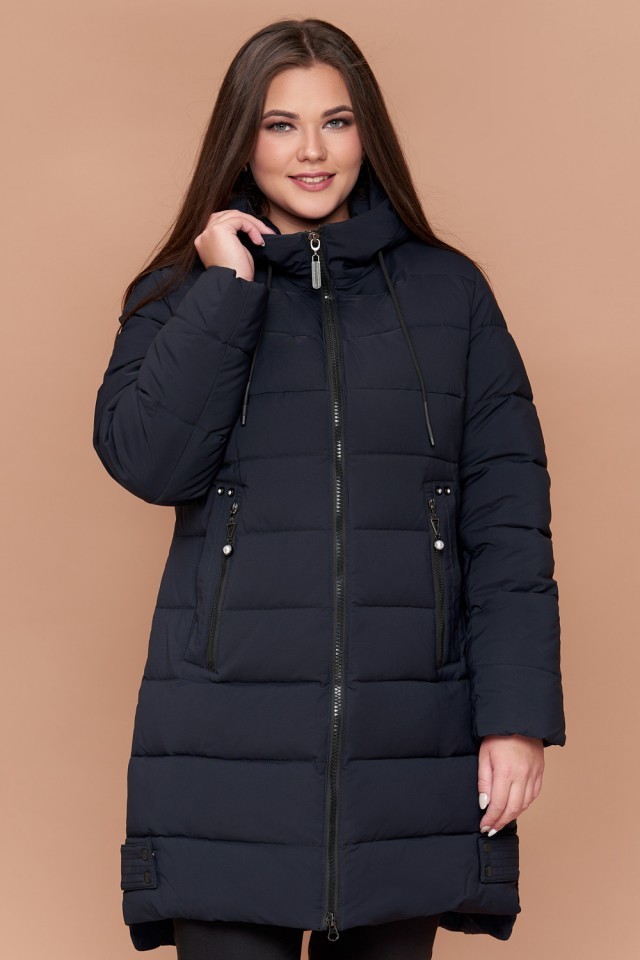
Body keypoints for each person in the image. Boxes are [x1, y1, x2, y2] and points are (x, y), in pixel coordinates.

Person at [93, 16, 567, 960]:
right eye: (281, 125)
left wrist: (518, 719)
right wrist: (226, 292)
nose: (311, 151)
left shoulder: (450, 296)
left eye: (335, 122)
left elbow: (508, 521)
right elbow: (148, 461)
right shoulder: (182, 294)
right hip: (224, 745)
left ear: (366, 133)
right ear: (242, 139)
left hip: (407, 743)